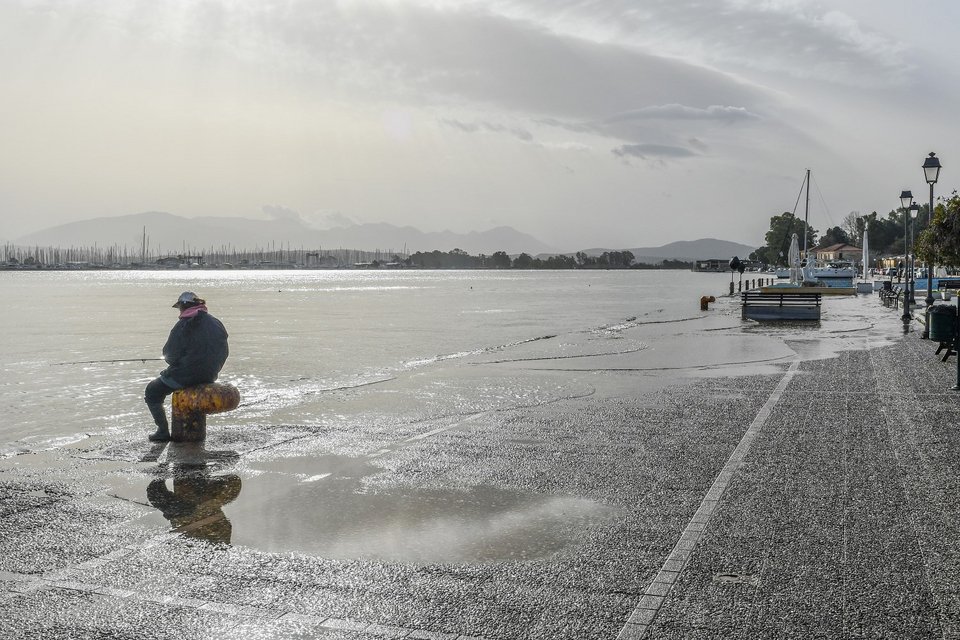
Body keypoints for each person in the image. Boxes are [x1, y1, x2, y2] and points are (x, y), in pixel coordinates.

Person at [145, 292, 229, 442]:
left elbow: (169, 354)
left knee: (152, 391)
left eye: (179, 308)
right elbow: (224, 352)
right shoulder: (216, 322)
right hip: (210, 375)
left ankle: (162, 431)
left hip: (187, 375)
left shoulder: (184, 324)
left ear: (183, 307)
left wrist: (172, 369)